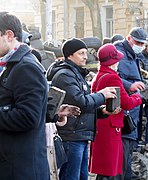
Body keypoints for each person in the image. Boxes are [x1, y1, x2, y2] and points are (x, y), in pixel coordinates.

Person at [46, 38, 117, 180]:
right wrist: (101, 95)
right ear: (70, 55)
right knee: (71, 176)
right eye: (81, 53)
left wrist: (101, 111)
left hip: (80, 133)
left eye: (85, 53)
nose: (85, 56)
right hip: (71, 135)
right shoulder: (65, 75)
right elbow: (80, 102)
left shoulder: (77, 74)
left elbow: (81, 107)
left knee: (82, 176)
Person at [0, 11, 50, 179]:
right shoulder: (11, 65)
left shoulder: (25, 67)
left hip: (21, 168)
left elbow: (29, 116)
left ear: (9, 35)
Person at [89, 43, 143, 179]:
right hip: (111, 126)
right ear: (113, 62)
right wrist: (139, 97)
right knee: (111, 168)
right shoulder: (112, 77)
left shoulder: (99, 75)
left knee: (103, 167)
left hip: (101, 124)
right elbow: (126, 103)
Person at [114, 27, 148, 179]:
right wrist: (130, 86)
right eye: (137, 42)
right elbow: (110, 75)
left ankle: (127, 174)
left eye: (142, 44)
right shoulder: (118, 53)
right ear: (129, 38)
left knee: (128, 146)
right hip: (124, 107)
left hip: (132, 106)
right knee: (123, 146)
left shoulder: (132, 54)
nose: (140, 46)